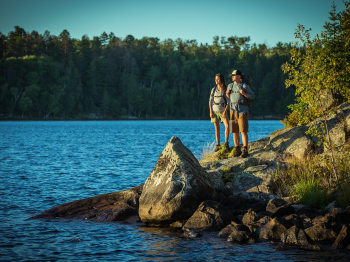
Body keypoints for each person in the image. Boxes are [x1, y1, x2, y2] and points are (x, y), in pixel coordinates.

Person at [226, 70, 254, 158]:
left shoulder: (244, 86)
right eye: (232, 75)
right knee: (234, 131)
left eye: (234, 75)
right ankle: (237, 149)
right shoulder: (230, 86)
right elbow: (229, 98)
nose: (232, 77)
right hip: (232, 110)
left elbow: (252, 96)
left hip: (242, 111)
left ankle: (245, 150)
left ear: (239, 76)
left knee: (243, 131)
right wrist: (227, 94)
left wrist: (244, 93)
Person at [209, 73, 230, 152]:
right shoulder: (213, 89)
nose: (216, 81)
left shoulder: (225, 89)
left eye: (218, 79)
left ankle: (226, 143)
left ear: (221, 80)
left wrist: (225, 111)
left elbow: (228, 102)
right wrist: (211, 111)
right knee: (217, 128)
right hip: (214, 110)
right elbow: (210, 101)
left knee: (227, 126)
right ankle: (218, 145)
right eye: (215, 79)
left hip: (222, 111)